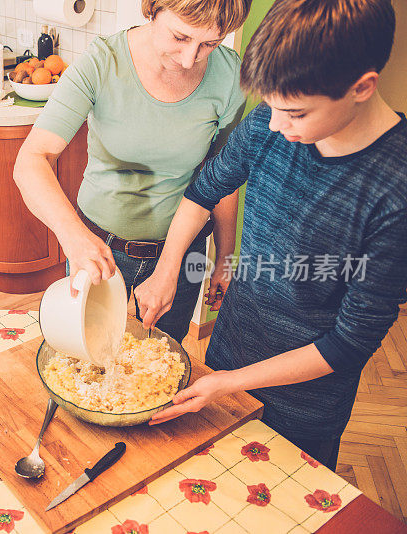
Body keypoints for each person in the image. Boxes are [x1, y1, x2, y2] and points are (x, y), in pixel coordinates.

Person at [135, 0, 406, 471]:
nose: (277, 125)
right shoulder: (269, 122)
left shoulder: (395, 192)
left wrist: (228, 383)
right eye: (271, 105)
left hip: (306, 406)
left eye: (296, 113)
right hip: (227, 357)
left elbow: (348, 342)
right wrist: (167, 270)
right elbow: (204, 190)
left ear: (361, 87)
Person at [13, 0, 252, 343]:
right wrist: (74, 237)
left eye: (209, 44)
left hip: (185, 255)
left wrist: (225, 259)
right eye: (180, 36)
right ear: (153, 9)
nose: (190, 59)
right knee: (82, 363)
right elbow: (31, 160)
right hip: (100, 248)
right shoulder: (102, 62)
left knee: (160, 367)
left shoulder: (230, 77)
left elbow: (222, 181)